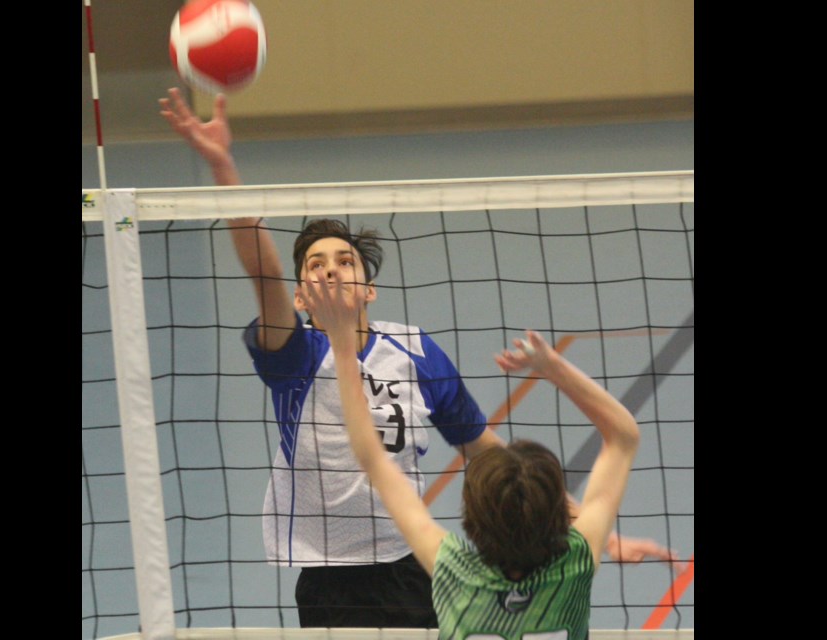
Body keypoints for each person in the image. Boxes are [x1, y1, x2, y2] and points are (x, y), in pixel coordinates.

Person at [158, 87, 678, 629]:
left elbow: (487, 453)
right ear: (300, 296)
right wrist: (223, 167)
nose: (330, 270)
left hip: (412, 557)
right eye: (315, 265)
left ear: (369, 290)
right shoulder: (292, 355)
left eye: (344, 261)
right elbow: (262, 272)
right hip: (328, 571)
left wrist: (581, 529)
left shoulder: (415, 350)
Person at [302, 270, 642, 639]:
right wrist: (551, 366)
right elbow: (622, 436)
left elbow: (371, 456)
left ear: (473, 521)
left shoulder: (453, 573)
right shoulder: (578, 563)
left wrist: (340, 341)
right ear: (559, 517)